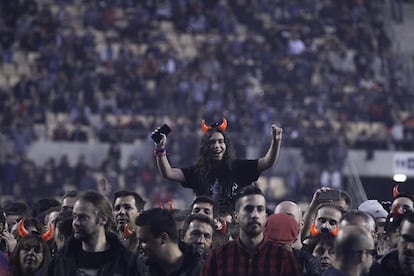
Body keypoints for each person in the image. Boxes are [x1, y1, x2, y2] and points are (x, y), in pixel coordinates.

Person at [153, 118, 282, 214]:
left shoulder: (238, 167)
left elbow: (267, 162)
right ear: (205, 147)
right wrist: (160, 150)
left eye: (220, 142)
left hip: (233, 227)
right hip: (206, 225)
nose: (217, 146)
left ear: (226, 146)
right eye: (212, 142)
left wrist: (276, 142)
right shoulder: (197, 171)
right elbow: (168, 173)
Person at [201, 184, 301, 275]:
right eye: (248, 209)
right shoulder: (218, 258)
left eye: (260, 209)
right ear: (236, 216)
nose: (254, 215)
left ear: (265, 216)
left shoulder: (284, 259)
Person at [45, 191, 138, 276]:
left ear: (103, 219)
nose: (75, 223)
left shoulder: (125, 261)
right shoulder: (61, 261)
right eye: (74, 217)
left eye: (83, 217)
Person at [135, 208, 205, 276]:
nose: (138, 246)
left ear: (163, 238)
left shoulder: (202, 270)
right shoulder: (141, 268)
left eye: (144, 241)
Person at [112, 190, 146, 254]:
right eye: (117, 208)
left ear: (140, 214)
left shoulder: (146, 248)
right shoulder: (107, 243)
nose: (121, 212)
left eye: (127, 207)